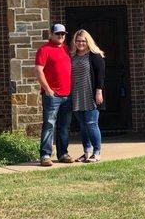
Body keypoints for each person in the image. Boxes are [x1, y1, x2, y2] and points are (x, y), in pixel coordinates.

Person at [35, 23, 74, 166]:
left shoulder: (66, 49)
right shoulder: (44, 50)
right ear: (51, 34)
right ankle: (45, 155)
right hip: (52, 95)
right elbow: (39, 71)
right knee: (49, 125)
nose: (61, 36)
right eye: (58, 34)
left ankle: (63, 153)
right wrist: (48, 89)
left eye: (63, 34)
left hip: (67, 94)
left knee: (64, 126)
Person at [71, 29, 105, 163]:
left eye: (83, 41)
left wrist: (99, 91)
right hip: (76, 95)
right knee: (83, 125)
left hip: (90, 94)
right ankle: (86, 152)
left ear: (88, 41)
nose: (80, 43)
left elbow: (100, 75)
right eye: (78, 41)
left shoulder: (95, 55)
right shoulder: (72, 56)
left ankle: (97, 152)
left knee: (91, 124)